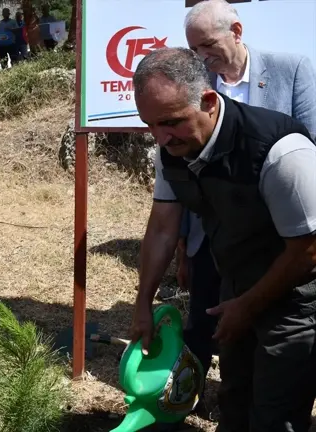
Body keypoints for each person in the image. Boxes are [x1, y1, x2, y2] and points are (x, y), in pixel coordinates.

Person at [130, 47, 316, 432]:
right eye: (150, 125)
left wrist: (248, 306)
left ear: (209, 101)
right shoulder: (172, 150)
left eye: (171, 122)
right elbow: (163, 227)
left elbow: (309, 249)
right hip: (236, 287)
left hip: (299, 298)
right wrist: (143, 303)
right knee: (234, 401)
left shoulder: (281, 153)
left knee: (275, 415)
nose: (160, 137)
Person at [167, 0, 316, 405]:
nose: (202, 56)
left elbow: (309, 143)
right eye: (193, 49)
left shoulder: (292, 69)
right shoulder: (195, 88)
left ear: (236, 31)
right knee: (208, 324)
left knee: (271, 334)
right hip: (211, 237)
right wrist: (183, 244)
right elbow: (179, 177)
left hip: (278, 237)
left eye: (207, 44)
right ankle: (190, 400)